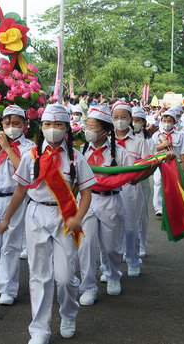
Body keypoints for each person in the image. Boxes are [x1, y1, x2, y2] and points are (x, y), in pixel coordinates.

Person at [0, 104, 96, 344]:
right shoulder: (32, 156)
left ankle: (68, 314)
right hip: (36, 215)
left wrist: (78, 218)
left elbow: (86, 193)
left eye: (58, 125)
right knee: (39, 275)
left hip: (65, 218)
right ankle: (39, 329)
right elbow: (22, 189)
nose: (53, 130)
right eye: (48, 125)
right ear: (41, 128)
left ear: (67, 129)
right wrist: (7, 218)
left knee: (65, 277)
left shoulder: (76, 157)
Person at [0, 105, 35, 306]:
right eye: (7, 123)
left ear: (25, 125)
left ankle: (8, 288)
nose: (11, 127)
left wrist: (8, 148)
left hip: (15, 198)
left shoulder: (29, 147)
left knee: (10, 244)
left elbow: (23, 170)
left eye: (16, 123)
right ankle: (4, 276)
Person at [77, 105, 129, 306]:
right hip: (87, 201)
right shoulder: (81, 151)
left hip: (111, 201)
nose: (88, 130)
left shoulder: (120, 153)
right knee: (86, 246)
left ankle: (113, 274)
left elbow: (131, 177)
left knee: (111, 247)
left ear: (106, 131)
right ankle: (88, 286)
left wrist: (153, 164)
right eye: (87, 126)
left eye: (93, 127)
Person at [112, 100, 151, 278]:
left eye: (124, 117)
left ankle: (133, 260)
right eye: (116, 117)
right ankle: (112, 264)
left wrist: (136, 180)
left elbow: (147, 166)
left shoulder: (139, 141)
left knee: (131, 227)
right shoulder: (106, 139)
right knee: (111, 228)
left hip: (131, 188)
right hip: (110, 190)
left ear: (130, 119)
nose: (120, 121)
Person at [151, 109, 184, 217]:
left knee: (174, 184)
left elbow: (183, 151)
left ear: (174, 122)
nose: (167, 123)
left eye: (170, 121)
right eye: (165, 120)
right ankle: (158, 208)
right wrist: (161, 145)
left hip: (174, 163)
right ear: (161, 121)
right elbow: (151, 149)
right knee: (158, 183)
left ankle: (173, 206)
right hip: (160, 162)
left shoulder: (179, 135)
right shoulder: (156, 135)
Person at [132, 106, 154, 258]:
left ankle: (141, 244)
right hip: (124, 182)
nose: (134, 123)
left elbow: (151, 164)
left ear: (144, 122)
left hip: (142, 182)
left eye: (137, 120)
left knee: (142, 214)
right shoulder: (118, 139)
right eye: (131, 120)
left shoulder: (148, 141)